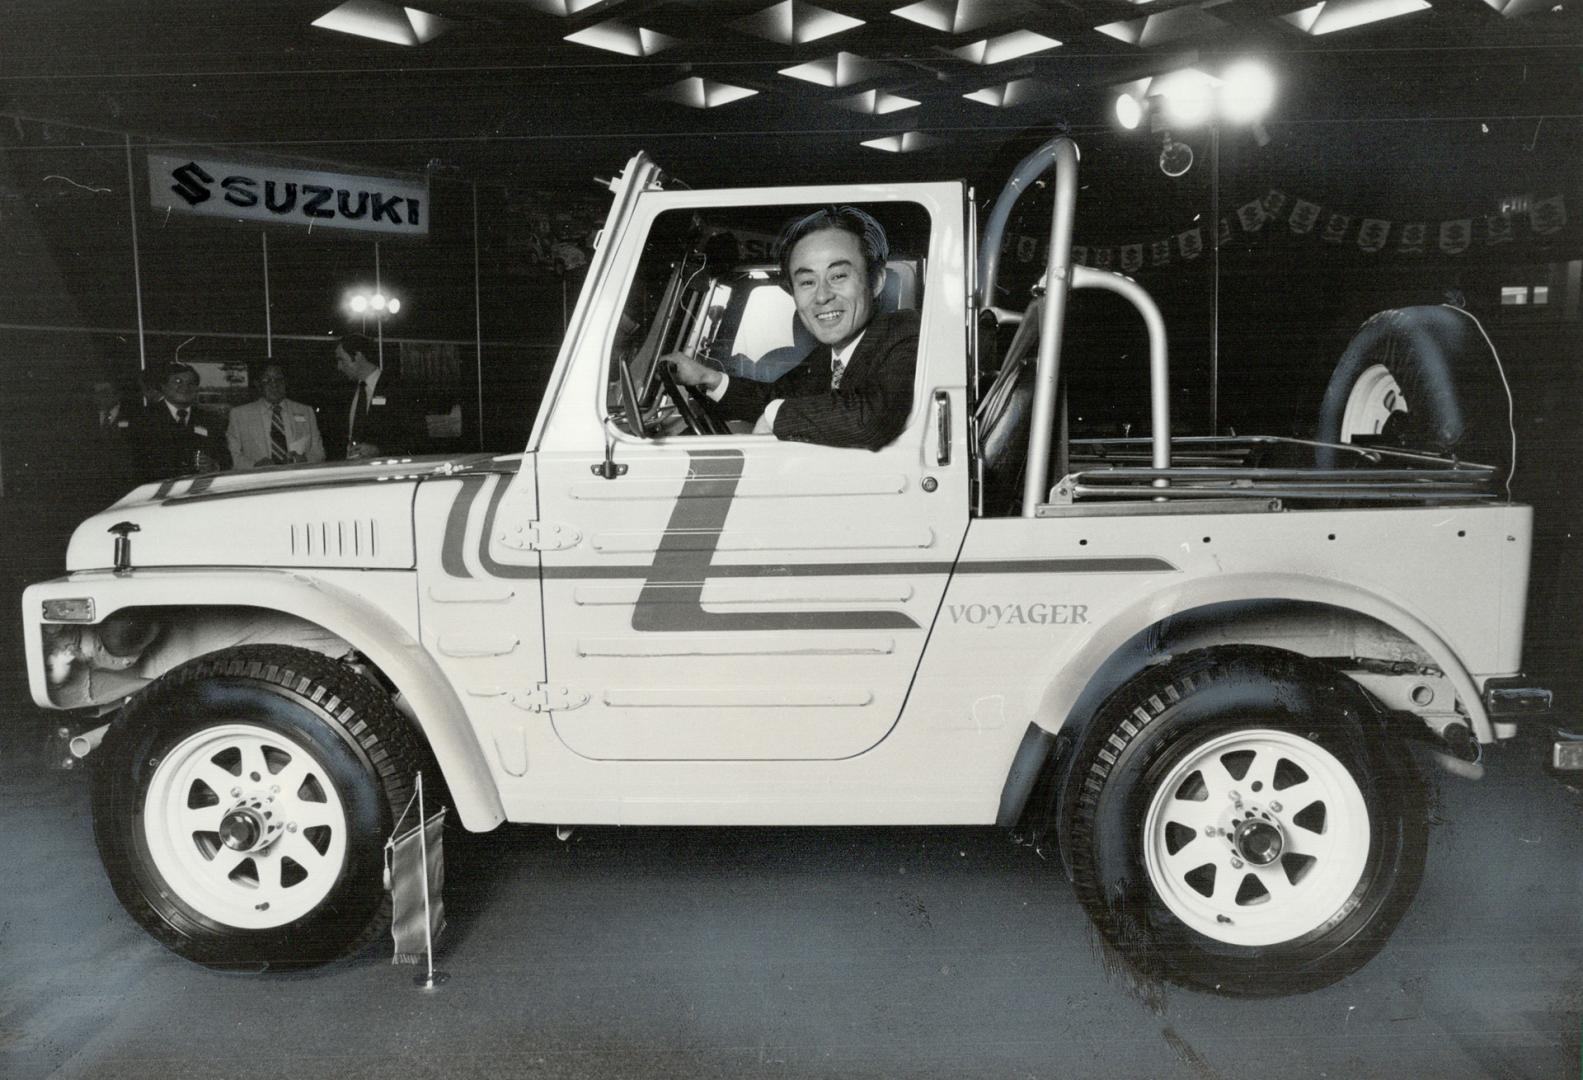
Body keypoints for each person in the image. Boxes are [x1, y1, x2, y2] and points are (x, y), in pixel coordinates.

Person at [666, 205, 918, 452]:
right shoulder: (827, 357)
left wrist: (775, 415)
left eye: (838, 276)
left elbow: (870, 419)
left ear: (875, 282)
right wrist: (707, 378)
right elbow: (774, 397)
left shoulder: (907, 333)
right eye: (807, 281)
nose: (822, 296)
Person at [127, 361, 230, 479]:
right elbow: (132, 462)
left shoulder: (210, 420)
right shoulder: (142, 419)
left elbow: (226, 459)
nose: (185, 387)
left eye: (191, 383)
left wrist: (214, 466)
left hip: (199, 491)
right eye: (177, 381)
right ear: (163, 386)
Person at [334, 332, 424, 459]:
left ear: (358, 356)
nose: (339, 367)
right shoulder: (344, 392)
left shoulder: (398, 389)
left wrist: (379, 450)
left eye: (341, 360)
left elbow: (417, 438)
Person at [226, 361, 325, 470]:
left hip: (297, 479)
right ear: (258, 384)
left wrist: (304, 459)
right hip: (258, 481)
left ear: (285, 382)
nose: (274, 385)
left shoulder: (306, 411)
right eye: (267, 380)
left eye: (279, 379)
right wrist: (255, 465)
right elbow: (233, 456)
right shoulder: (239, 415)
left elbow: (319, 452)